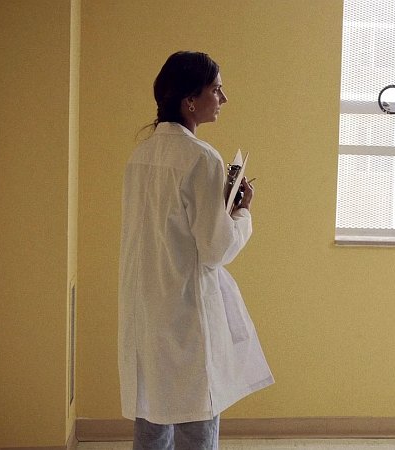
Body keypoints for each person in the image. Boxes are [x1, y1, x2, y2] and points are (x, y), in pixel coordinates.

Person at [118, 51, 274, 450]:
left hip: (145, 308)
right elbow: (216, 249)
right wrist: (241, 212)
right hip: (186, 312)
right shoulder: (202, 159)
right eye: (216, 89)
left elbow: (164, 232)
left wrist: (218, 207)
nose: (223, 98)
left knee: (152, 415)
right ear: (190, 99)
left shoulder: (140, 157)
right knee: (196, 421)